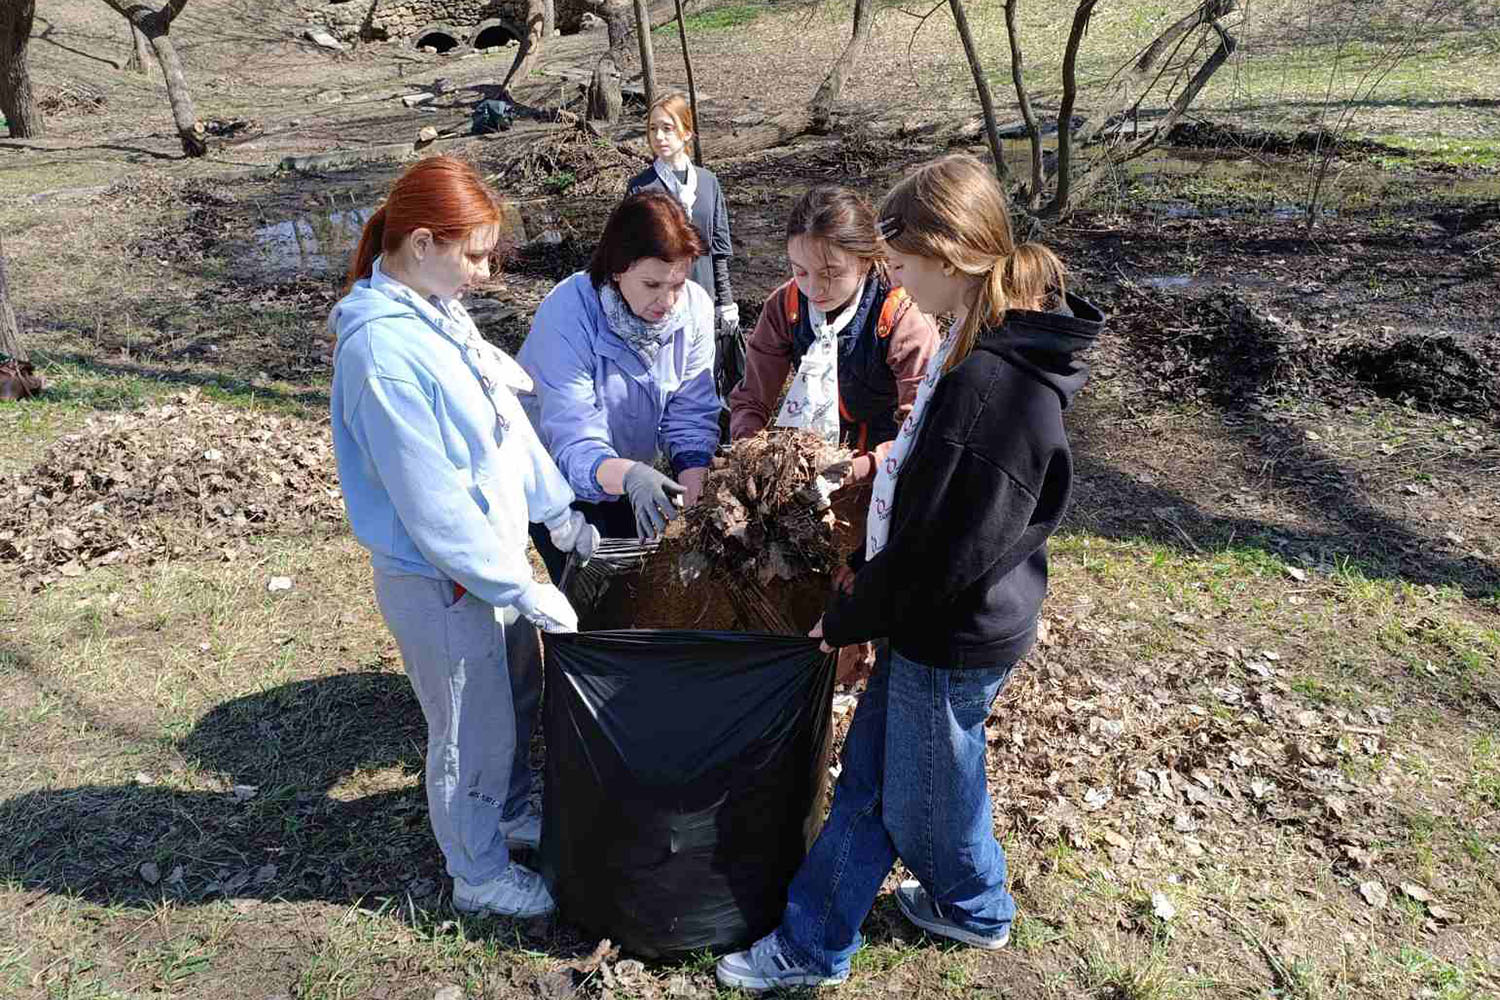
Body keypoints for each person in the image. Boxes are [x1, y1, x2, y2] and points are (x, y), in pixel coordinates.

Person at [716, 154, 1105, 990]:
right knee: (928, 774)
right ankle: (976, 905)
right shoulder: (983, 347)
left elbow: (945, 550)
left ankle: (808, 948)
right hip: (954, 621)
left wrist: (856, 609)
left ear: (952, 255)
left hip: (948, 629)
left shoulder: (991, 386)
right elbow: (934, 513)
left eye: (901, 261)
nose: (891, 275)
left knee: (879, 794)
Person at [328, 156, 594, 920]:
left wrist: (556, 511)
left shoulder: (437, 310)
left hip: (494, 560)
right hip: (442, 579)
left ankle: (507, 812)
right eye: (474, 254)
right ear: (421, 243)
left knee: (511, 698)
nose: (485, 272)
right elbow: (433, 504)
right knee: (466, 726)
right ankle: (476, 871)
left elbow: (504, 426)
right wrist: (515, 584)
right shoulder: (382, 352)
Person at [729, 184, 939, 679]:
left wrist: (857, 470)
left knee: (861, 581)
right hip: (814, 463)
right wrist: (749, 451)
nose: (815, 287)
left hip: (881, 472)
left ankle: (863, 662)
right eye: (801, 272)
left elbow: (920, 433)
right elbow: (751, 397)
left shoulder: (900, 316)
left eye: (830, 274)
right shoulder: (787, 306)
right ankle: (812, 662)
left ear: (867, 262)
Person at [518, 191, 720, 581]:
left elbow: (690, 408)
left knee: (637, 583)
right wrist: (628, 476)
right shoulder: (567, 314)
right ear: (616, 269)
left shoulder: (693, 308)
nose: (668, 301)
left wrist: (693, 471)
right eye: (652, 284)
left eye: (678, 283)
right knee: (590, 591)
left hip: (631, 472)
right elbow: (571, 437)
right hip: (561, 486)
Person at [625, 93, 743, 405]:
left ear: (686, 133)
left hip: (703, 293)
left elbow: (718, 247)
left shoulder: (708, 182)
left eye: (667, 128)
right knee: (667, 377)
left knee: (705, 376)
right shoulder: (641, 187)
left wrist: (726, 302)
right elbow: (632, 254)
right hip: (661, 298)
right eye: (652, 129)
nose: (659, 137)